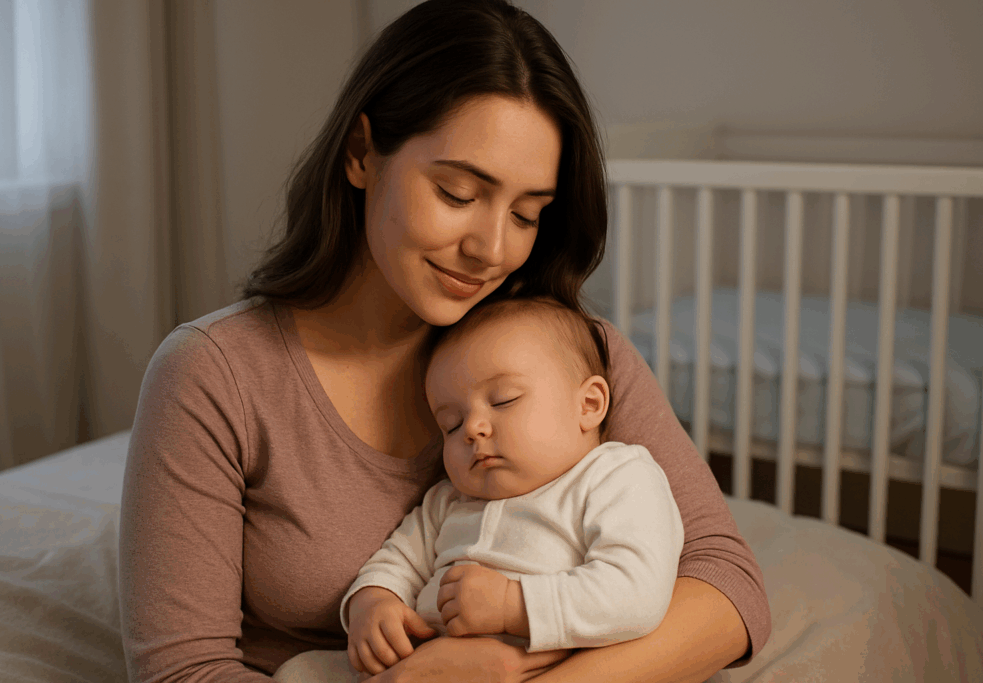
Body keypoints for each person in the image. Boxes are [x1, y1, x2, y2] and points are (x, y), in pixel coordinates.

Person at [118, 1, 771, 681]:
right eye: (459, 193)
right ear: (361, 152)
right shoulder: (213, 376)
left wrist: (507, 671)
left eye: (526, 214)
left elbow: (729, 585)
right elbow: (182, 672)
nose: (490, 250)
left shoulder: (570, 355)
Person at [273, 297, 685, 683]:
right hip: (423, 662)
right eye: (450, 424)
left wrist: (513, 605)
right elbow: (398, 558)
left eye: (503, 400)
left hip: (538, 665)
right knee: (299, 671)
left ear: (589, 404)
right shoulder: (448, 500)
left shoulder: (614, 475)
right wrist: (373, 601)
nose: (472, 428)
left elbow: (637, 590)